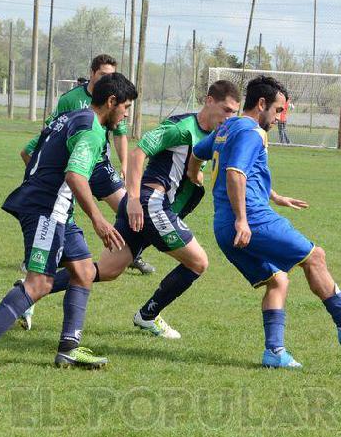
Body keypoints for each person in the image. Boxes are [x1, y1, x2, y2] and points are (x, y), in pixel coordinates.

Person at [190, 75, 341, 369]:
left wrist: (271, 195)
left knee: (277, 280)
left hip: (223, 227)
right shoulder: (251, 132)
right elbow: (235, 173)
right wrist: (244, 220)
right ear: (261, 104)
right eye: (277, 110)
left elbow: (199, 154)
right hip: (252, 222)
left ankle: (274, 352)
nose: (278, 118)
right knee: (315, 257)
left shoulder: (227, 128)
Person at [19, 80, 241, 338]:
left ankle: (29, 290)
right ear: (209, 100)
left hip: (150, 210)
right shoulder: (181, 128)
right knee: (199, 261)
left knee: (104, 271)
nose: (229, 117)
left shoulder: (214, 137)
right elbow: (139, 154)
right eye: (226, 109)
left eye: (233, 113)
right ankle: (148, 315)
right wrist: (133, 198)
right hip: (150, 205)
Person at [0, 72, 137, 377]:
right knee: (40, 284)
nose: (126, 114)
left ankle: (68, 349)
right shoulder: (91, 131)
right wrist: (99, 219)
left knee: (83, 272)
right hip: (46, 212)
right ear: (111, 101)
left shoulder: (71, 116)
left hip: (59, 211)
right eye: (126, 107)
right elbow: (75, 176)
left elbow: (33, 152)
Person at [16, 56, 155, 302]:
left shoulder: (117, 104)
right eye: (102, 74)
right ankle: (33, 282)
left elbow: (120, 135)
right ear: (92, 74)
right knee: (69, 245)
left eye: (111, 74)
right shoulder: (71, 101)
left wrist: (122, 164)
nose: (107, 79)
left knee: (135, 213)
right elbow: (46, 135)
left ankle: (129, 253)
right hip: (75, 166)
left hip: (100, 167)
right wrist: (53, 183)